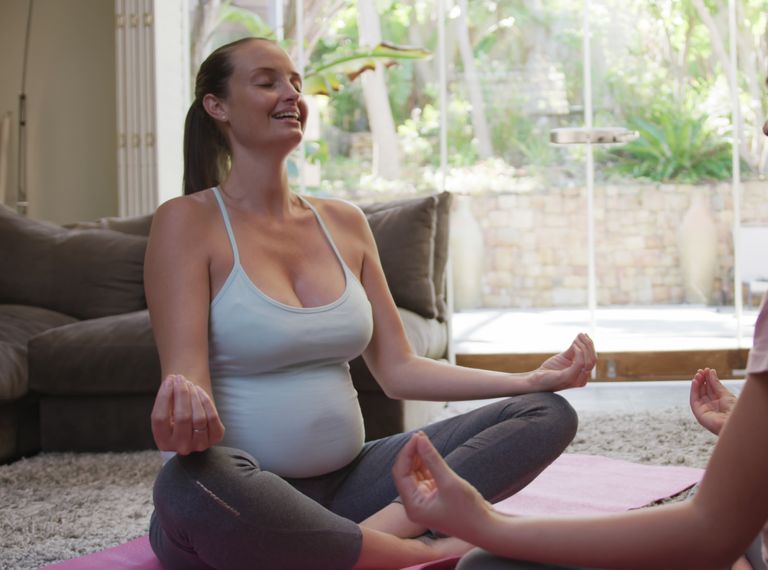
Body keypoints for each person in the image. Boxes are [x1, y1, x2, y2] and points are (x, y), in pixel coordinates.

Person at [392, 0, 768, 568]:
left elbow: (711, 532)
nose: (767, 123)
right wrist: (751, 430)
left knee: (489, 565)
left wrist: (483, 521)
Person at [144, 36, 596, 570]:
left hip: (356, 488)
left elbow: (399, 369)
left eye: (294, 81)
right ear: (216, 107)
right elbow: (186, 380)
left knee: (544, 413)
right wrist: (182, 417)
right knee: (191, 485)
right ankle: (411, 549)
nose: (290, 93)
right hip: (245, 494)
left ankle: (357, 546)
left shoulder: (344, 223)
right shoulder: (187, 222)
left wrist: (525, 381)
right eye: (267, 82)